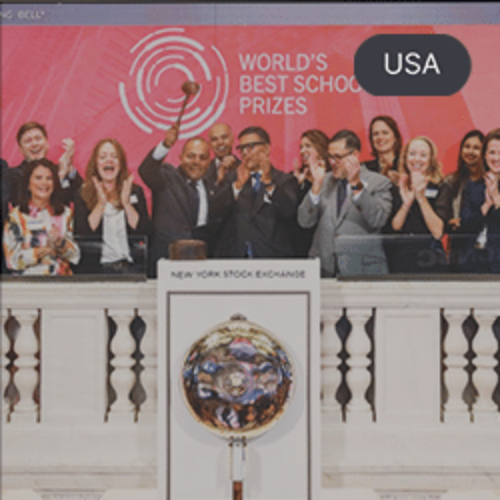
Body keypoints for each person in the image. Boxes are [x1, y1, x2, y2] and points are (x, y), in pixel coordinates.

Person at [298, 129, 392, 277]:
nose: (332, 163)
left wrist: (356, 185)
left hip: (362, 271)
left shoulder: (379, 182)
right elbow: (304, 221)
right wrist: (315, 186)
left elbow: (378, 220)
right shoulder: (323, 180)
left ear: (354, 156)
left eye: (338, 157)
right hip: (324, 270)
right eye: (330, 157)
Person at [212, 126, 298, 258]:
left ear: (267, 149)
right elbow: (214, 213)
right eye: (241, 149)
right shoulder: (230, 179)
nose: (245, 153)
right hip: (235, 258)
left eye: (250, 147)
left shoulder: (284, 180)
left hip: (272, 259)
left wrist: (269, 183)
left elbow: (289, 211)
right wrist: (237, 187)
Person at [138, 124, 212, 276]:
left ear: (209, 162)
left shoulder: (213, 185)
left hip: (201, 266)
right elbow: (146, 170)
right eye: (191, 156)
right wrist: (165, 145)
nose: (196, 161)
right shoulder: (167, 176)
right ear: (181, 157)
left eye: (202, 158)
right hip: (167, 262)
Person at [74, 139, 151, 274]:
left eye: (114, 156)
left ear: (120, 164)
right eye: (103, 157)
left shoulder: (134, 191)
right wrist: (101, 204)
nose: (109, 160)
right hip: (95, 270)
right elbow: (83, 233)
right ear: (95, 163)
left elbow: (143, 230)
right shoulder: (83, 193)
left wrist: (126, 204)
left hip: (131, 268)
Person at [3, 158, 80, 275]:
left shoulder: (66, 213)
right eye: (38, 178)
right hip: (28, 285)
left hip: (61, 283)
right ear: (28, 184)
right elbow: (11, 260)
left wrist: (61, 243)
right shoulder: (16, 216)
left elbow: (75, 256)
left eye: (49, 178)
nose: (44, 183)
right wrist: (39, 252)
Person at [390, 136, 452, 274]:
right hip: (402, 258)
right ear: (405, 158)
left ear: (431, 161)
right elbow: (395, 226)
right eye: (412, 154)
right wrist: (406, 204)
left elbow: (437, 232)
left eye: (423, 155)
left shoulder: (441, 187)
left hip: (430, 259)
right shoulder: (397, 187)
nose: (417, 159)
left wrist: (421, 197)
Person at [8, 122, 83, 207]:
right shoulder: (13, 175)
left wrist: (69, 168)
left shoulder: (60, 168)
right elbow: (30, 204)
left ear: (47, 143)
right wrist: (61, 176)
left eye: (38, 138)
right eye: (28, 141)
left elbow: (83, 198)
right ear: (21, 149)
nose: (34, 144)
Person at [460, 128, 500, 273]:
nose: (496, 158)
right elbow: (465, 226)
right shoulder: (474, 185)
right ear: (484, 155)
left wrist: (496, 199)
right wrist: (485, 207)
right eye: (492, 152)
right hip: (474, 263)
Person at [445, 130, 485, 271]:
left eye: (476, 148)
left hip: (484, 250)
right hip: (458, 250)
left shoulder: (491, 182)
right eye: (467, 146)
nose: (470, 151)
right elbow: (446, 218)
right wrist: (450, 222)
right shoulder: (452, 181)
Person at [291, 129, 330, 257]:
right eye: (301, 147)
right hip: (299, 248)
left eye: (308, 146)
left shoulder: (333, 178)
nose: (303, 151)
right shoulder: (294, 178)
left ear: (321, 148)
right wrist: (297, 186)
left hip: (325, 249)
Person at [365, 116, 403, 184]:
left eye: (385, 133)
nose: (380, 137)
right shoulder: (365, 169)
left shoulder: (406, 166)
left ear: (395, 137)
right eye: (376, 134)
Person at [206, 123, 240, 190]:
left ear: (232, 139)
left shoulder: (244, 168)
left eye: (224, 137)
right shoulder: (203, 171)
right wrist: (218, 182)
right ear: (209, 144)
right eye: (214, 139)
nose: (220, 142)